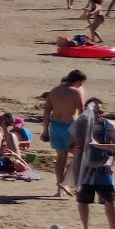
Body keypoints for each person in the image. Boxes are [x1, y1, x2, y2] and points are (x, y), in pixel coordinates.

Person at [79, 101, 115, 229]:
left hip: (103, 167)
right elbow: (71, 144)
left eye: (99, 111)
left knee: (110, 201)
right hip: (86, 168)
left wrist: (113, 165)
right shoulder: (81, 125)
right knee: (83, 201)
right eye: (94, 111)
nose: (97, 114)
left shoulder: (109, 125)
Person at [42, 69, 88, 197]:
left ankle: (59, 189)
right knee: (79, 155)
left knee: (61, 158)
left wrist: (45, 130)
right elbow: (82, 113)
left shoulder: (53, 91)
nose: (82, 86)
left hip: (55, 126)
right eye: (81, 83)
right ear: (78, 81)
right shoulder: (76, 92)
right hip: (70, 127)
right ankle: (67, 184)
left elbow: (46, 112)